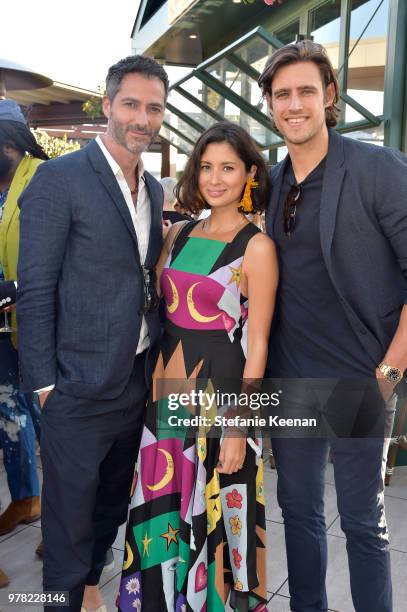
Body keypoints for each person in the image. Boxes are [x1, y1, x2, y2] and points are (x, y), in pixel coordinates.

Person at [258, 40, 407, 612]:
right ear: (270, 105)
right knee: (298, 513)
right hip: (291, 382)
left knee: (364, 524)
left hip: (360, 379)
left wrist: (388, 373)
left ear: (330, 98)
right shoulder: (272, 184)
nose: (293, 105)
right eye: (282, 95)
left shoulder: (376, 168)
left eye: (305, 92)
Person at [17, 55, 168, 612]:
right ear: (107, 106)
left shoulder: (152, 189)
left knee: (109, 509)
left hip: (133, 380)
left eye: (154, 108)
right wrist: (45, 387)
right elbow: (35, 292)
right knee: (67, 525)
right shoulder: (60, 182)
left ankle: (85, 591)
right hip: (75, 391)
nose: (141, 118)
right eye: (130, 104)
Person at [117, 121, 278, 611]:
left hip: (222, 398)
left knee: (219, 521)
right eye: (206, 167)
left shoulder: (258, 247)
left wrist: (239, 425)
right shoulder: (179, 233)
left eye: (228, 167)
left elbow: (260, 341)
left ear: (249, 172)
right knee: (163, 511)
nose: (215, 178)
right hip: (165, 395)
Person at [0, 99, 44, 537]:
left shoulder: (41, 181)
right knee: (10, 416)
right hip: (3, 333)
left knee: (50, 421)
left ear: (9, 143)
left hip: (39, 328)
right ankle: (25, 498)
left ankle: (69, 528)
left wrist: (16, 290)